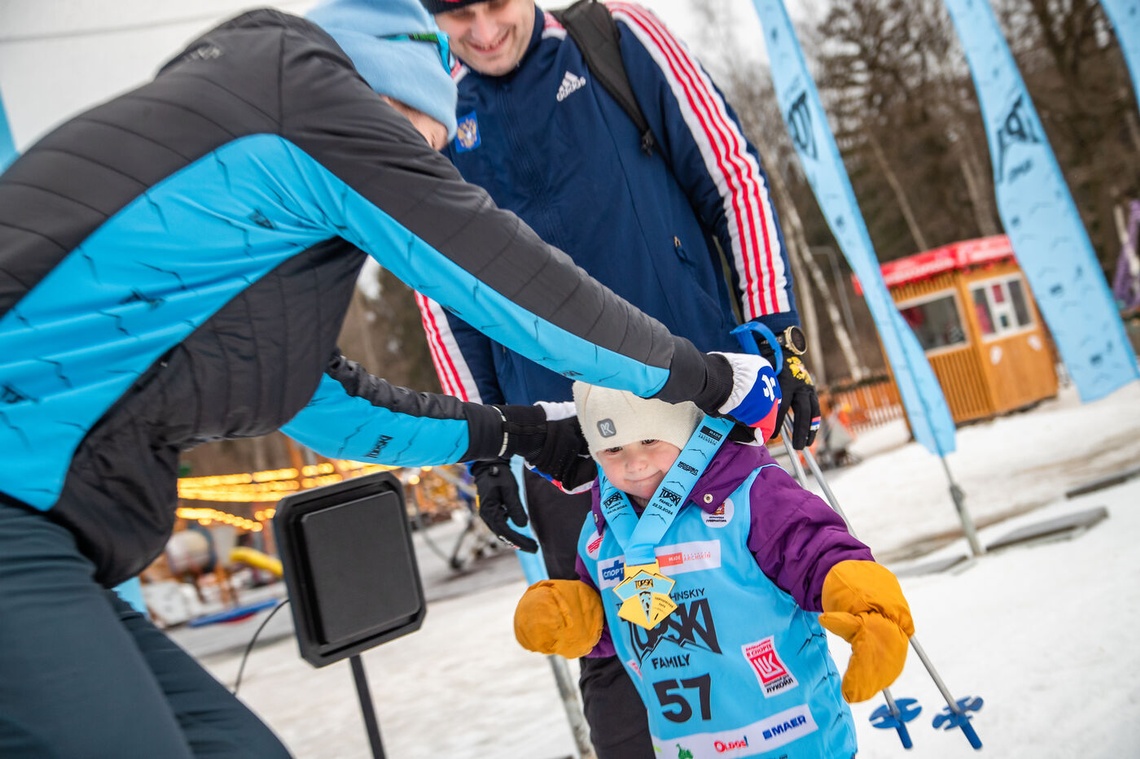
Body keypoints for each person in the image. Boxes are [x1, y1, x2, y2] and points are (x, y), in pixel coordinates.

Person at [0, 0, 784, 755]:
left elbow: (322, 399)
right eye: (419, 141)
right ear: (387, 89)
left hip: (51, 535)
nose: (422, 165)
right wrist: (701, 376)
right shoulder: (310, 99)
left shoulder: (250, 205)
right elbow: (509, 284)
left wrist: (517, 432)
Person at [414, 0, 820, 753]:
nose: (481, 31)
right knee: (621, 658)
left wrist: (777, 328)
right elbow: (441, 293)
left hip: (694, 408)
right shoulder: (433, 109)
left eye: (495, 4)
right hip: (568, 446)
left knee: (756, 617)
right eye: (456, 15)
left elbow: (730, 174)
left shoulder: (611, 36)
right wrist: (487, 446)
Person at [513, 383, 916, 758]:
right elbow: (618, 627)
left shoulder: (749, 493)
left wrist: (872, 609)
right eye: (613, 449)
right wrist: (572, 617)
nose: (634, 464)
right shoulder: (605, 531)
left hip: (794, 737)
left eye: (650, 440)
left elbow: (818, 553)